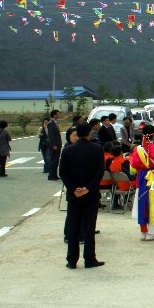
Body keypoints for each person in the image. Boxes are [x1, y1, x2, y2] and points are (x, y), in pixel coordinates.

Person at [60, 122, 105, 269]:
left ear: (77, 134)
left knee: (73, 226)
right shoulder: (97, 149)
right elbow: (99, 172)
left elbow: (63, 173)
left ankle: (72, 260)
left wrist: (74, 188)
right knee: (89, 226)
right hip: (90, 194)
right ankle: (89, 259)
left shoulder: (67, 150)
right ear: (89, 133)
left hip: (74, 195)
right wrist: (88, 188)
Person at [129, 124, 154, 241]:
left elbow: (132, 170)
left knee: (142, 204)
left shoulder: (136, 149)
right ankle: (151, 233)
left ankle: (143, 232)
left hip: (141, 178)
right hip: (153, 178)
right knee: (152, 205)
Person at [47, 109, 62, 180]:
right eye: (58, 114)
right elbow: (51, 136)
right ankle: (51, 175)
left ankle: (55, 174)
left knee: (56, 160)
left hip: (58, 144)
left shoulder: (56, 122)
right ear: (54, 115)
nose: (59, 115)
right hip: (54, 145)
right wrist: (54, 145)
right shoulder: (50, 123)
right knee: (53, 160)